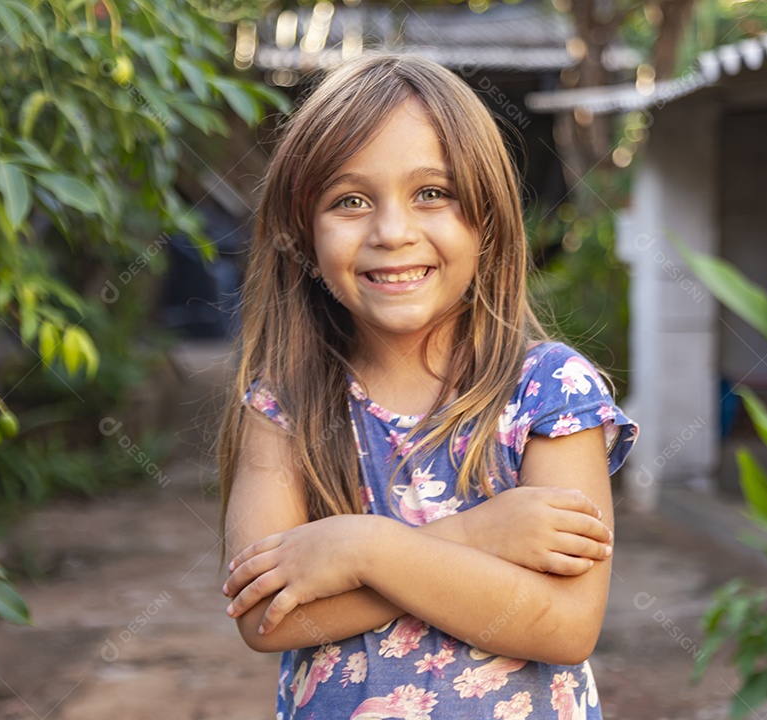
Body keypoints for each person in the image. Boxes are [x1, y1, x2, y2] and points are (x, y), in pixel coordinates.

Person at [217, 53, 638, 720]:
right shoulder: (286, 405)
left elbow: (563, 625)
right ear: (304, 230)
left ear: (488, 220)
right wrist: (476, 537)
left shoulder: (550, 394)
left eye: (432, 194)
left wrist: (359, 551)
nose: (392, 232)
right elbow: (267, 617)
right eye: (350, 201)